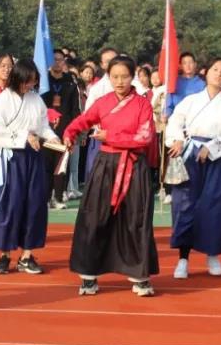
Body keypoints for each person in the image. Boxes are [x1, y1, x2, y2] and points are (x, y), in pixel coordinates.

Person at [64, 55, 159, 296]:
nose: (119, 81)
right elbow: (83, 121)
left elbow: (145, 137)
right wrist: (69, 132)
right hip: (105, 166)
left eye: (125, 76)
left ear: (134, 75)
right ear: (109, 76)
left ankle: (139, 274)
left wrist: (111, 137)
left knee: (135, 218)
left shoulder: (142, 104)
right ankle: (88, 274)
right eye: (115, 76)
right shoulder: (103, 101)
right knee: (95, 217)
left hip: (134, 166)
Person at [0, 58, 60, 275]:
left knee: (33, 205)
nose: (29, 86)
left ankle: (27, 255)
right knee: (8, 205)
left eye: (33, 82)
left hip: (33, 158)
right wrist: (24, 136)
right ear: (17, 79)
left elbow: (43, 126)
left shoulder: (36, 100)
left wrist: (53, 139)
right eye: (26, 82)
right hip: (10, 158)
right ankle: (4, 253)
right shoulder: (3, 100)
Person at [165, 57, 221, 279]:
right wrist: (177, 140)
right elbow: (174, 122)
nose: (219, 74)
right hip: (190, 155)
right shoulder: (190, 101)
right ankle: (183, 258)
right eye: (215, 69)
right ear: (206, 72)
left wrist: (211, 147)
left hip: (217, 159)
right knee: (185, 205)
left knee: (214, 206)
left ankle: (212, 254)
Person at [42, 48, 81, 209]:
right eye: (54, 59)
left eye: (60, 59)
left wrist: (73, 132)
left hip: (64, 132)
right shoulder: (43, 82)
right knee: (45, 167)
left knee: (61, 166)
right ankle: (44, 198)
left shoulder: (70, 82)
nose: (57, 62)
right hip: (45, 131)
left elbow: (75, 111)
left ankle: (57, 198)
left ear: (64, 62)